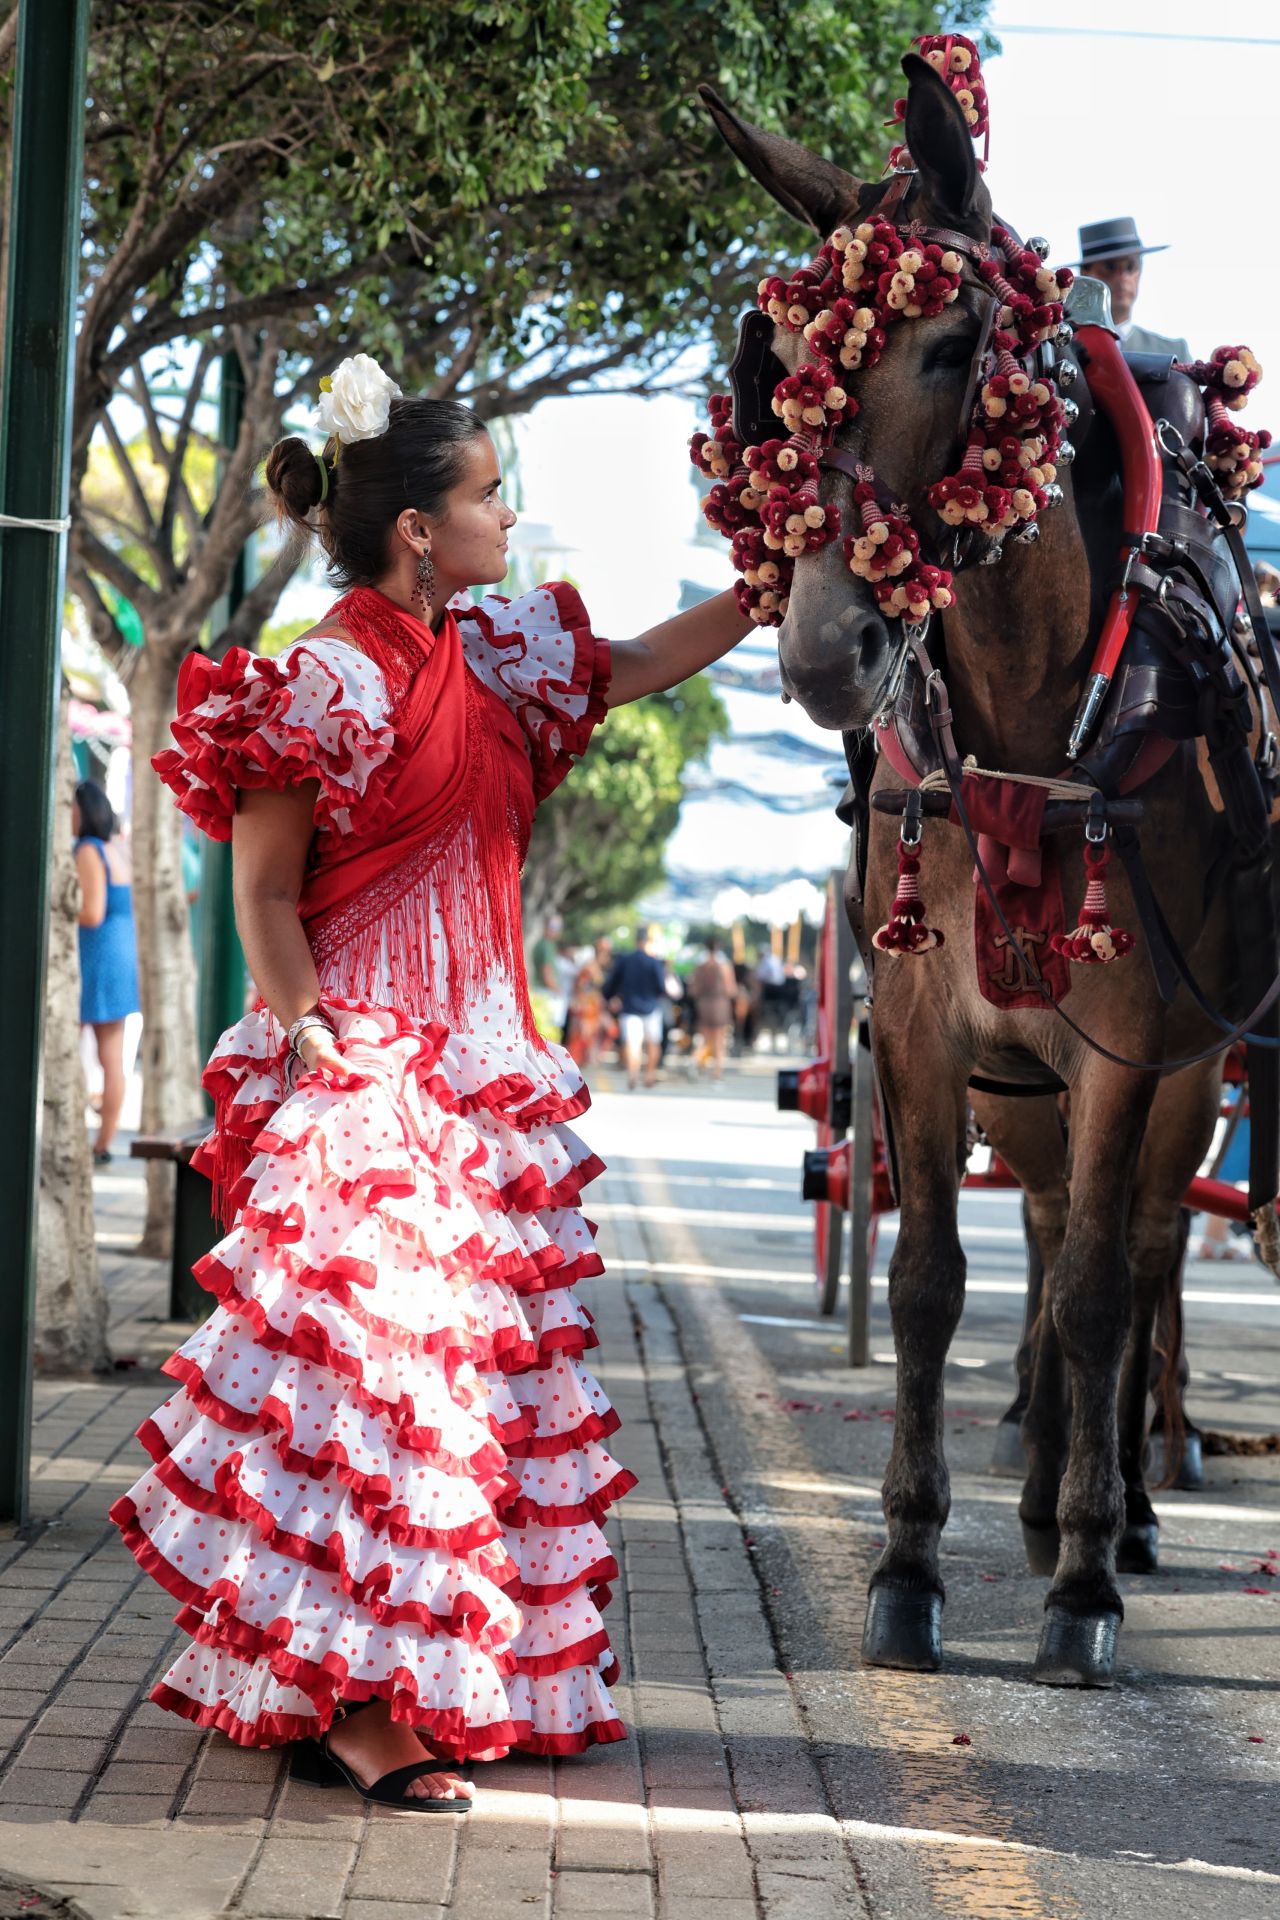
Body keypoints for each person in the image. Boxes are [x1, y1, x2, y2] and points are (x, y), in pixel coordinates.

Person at [110, 357, 754, 1810]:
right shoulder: (323, 677)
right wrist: (311, 1030)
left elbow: (641, 659)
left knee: (470, 1397)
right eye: (485, 495)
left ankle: (450, 1678)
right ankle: (358, 1708)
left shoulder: (501, 649)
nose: (508, 517)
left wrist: (775, 582)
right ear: (416, 526)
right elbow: (264, 896)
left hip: (480, 1077)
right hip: (363, 1072)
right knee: (374, 1388)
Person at [73, 778, 140, 1162]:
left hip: (94, 959)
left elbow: (92, 912)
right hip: (121, 956)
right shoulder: (119, 848)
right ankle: (103, 1144)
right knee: (111, 1058)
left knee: (70, 1047)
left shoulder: (88, 849)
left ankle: (86, 1139)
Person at [1075, 217, 1190, 360]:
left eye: (1131, 267)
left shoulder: (1174, 352)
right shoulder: (1062, 348)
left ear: (1139, 273)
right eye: (1109, 267)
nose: (1123, 277)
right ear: (1085, 275)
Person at [604, 926, 667, 1089]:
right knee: (653, 1043)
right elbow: (661, 987)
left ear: (635, 940)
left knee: (633, 1043)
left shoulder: (625, 960)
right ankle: (650, 1074)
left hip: (629, 1007)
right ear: (647, 941)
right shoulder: (654, 961)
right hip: (651, 1007)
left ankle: (633, 1074)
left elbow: (611, 983)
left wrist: (610, 997)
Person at [689, 938, 736, 1080]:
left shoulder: (700, 966)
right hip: (720, 1003)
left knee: (705, 1038)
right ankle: (717, 1071)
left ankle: (696, 1060)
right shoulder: (724, 966)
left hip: (703, 1004)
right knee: (719, 1039)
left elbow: (693, 989)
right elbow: (731, 989)